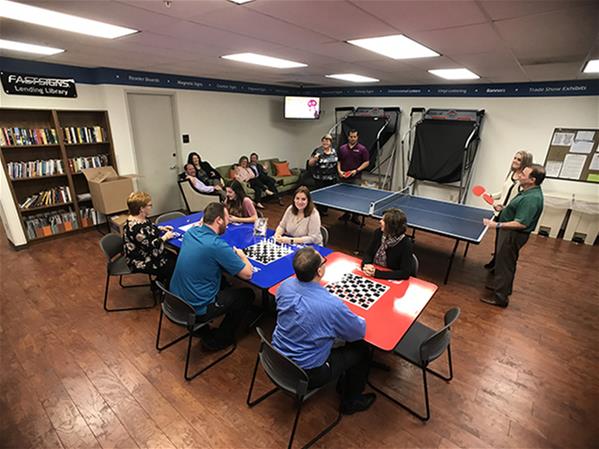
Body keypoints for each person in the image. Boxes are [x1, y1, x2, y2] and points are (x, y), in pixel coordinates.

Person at [272, 247, 375, 414]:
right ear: (320, 271)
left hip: (276, 358)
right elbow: (358, 331)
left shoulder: (285, 285)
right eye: (324, 262)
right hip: (307, 373)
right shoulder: (331, 306)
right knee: (362, 349)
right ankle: (351, 402)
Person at [170, 202, 255, 350]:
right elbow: (247, 274)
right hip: (196, 307)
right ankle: (220, 340)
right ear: (219, 220)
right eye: (227, 218)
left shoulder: (190, 233)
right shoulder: (217, 245)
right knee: (246, 294)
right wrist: (242, 257)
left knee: (223, 279)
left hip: (175, 298)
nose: (228, 222)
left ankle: (201, 328)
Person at [481, 164, 545, 308]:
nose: (520, 175)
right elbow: (517, 210)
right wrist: (503, 208)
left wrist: (495, 225)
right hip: (510, 233)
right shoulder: (527, 191)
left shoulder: (532, 199)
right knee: (506, 262)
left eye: (524, 174)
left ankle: (500, 298)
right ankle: (502, 288)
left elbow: (520, 223)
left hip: (513, 235)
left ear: (532, 180)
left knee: (505, 265)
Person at [484, 150, 533, 269]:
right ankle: (495, 260)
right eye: (515, 158)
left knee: (505, 243)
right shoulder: (510, 174)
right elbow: (504, 192)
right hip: (500, 212)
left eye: (519, 159)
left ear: (525, 162)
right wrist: (491, 196)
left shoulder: (523, 180)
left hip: (510, 215)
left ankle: (500, 265)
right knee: (498, 240)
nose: (515, 161)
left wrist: (504, 207)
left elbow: (518, 199)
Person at [123, 192, 177, 287]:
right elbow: (151, 246)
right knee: (173, 266)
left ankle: (160, 282)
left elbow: (149, 228)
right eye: (150, 205)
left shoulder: (140, 218)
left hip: (146, 252)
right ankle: (166, 290)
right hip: (139, 260)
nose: (151, 207)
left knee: (175, 257)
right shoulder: (136, 228)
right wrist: (165, 237)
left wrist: (160, 228)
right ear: (141, 209)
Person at [361, 208, 415, 280]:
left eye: (383, 220)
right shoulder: (378, 233)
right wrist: (366, 265)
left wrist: (377, 273)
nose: (380, 221)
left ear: (391, 226)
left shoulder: (406, 244)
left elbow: (404, 273)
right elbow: (368, 253)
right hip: (373, 272)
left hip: (388, 277)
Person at [337, 129, 369, 224]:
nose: (353, 138)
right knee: (345, 198)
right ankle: (346, 214)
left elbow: (367, 162)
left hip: (356, 177)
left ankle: (355, 217)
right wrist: (339, 171)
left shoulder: (362, 149)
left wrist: (357, 170)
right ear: (348, 137)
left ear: (357, 137)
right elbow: (339, 161)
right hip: (343, 177)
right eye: (351, 136)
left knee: (355, 198)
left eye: (354, 136)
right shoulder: (342, 148)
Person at [308, 134, 338, 215]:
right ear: (322, 141)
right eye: (324, 140)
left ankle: (323, 210)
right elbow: (310, 163)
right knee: (320, 196)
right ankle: (318, 212)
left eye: (328, 140)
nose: (326, 142)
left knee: (327, 196)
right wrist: (315, 159)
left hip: (331, 178)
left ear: (331, 142)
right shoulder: (317, 150)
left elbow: (337, 162)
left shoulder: (334, 151)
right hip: (319, 178)